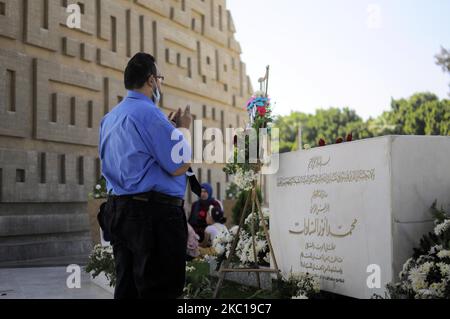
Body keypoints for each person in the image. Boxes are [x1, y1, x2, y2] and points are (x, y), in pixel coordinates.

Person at [99, 52, 193, 299]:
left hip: (120, 212)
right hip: (153, 218)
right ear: (151, 80)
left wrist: (168, 130)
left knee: (127, 290)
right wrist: (182, 129)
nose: (160, 84)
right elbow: (180, 163)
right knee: (159, 290)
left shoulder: (109, 118)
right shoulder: (150, 114)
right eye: (159, 78)